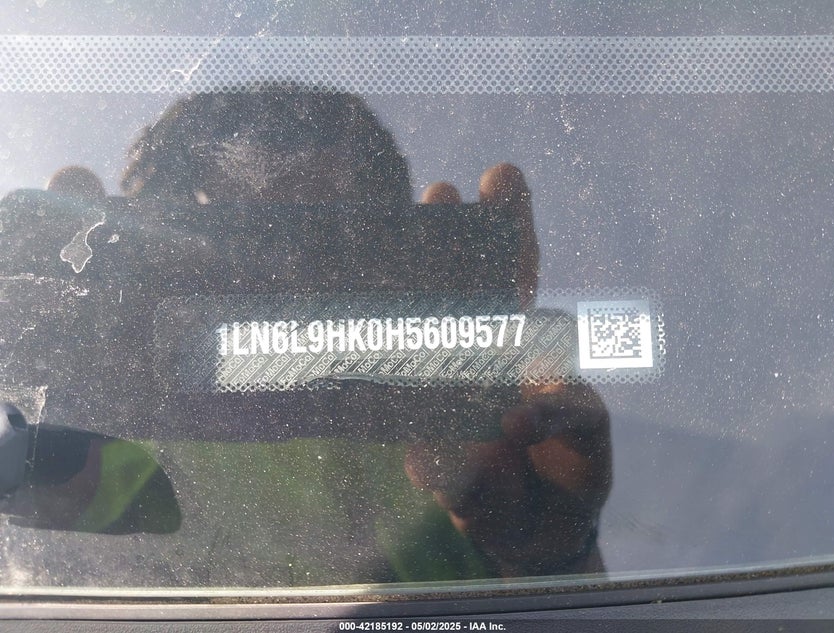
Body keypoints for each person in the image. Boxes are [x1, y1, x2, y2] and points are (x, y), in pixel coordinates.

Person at [20, 88, 611, 581]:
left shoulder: (457, 451)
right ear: (134, 260)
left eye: (324, 247)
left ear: (407, 254)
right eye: (226, 244)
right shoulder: (87, 438)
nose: (280, 287)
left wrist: (548, 552)